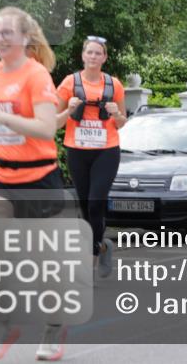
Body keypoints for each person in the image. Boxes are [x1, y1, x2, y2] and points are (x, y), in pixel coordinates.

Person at [0, 7, 65, 361]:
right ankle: (2, 322)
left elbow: (44, 128)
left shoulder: (36, 75)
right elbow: (2, 126)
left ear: (25, 38)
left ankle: (54, 326)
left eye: (7, 32)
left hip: (37, 176)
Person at [55, 36, 127, 280]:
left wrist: (116, 114)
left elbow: (122, 123)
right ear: (83, 56)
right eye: (90, 53)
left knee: (96, 202)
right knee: (85, 207)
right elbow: (55, 121)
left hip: (106, 150)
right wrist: (69, 108)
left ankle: (91, 262)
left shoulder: (114, 84)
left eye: (98, 53)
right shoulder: (69, 83)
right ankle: (104, 246)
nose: (94, 57)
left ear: (104, 57)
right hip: (77, 150)